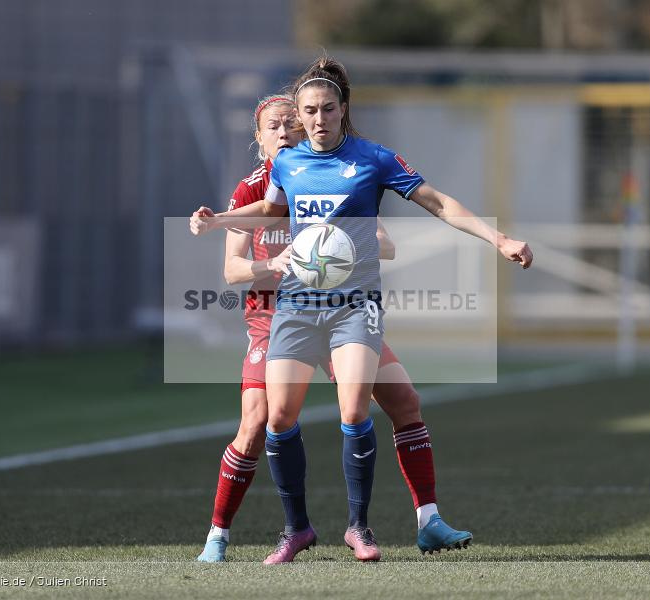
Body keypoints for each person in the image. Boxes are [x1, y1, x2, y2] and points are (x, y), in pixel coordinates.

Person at [192, 55, 532, 565]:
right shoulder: (284, 168)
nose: (311, 120)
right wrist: (220, 220)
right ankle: (284, 529)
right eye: (303, 113)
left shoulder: (372, 158)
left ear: (342, 109)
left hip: (354, 306)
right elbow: (270, 211)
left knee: (373, 407)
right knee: (273, 419)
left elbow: (435, 203)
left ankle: (366, 527)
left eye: (324, 109)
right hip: (293, 310)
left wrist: (496, 236)